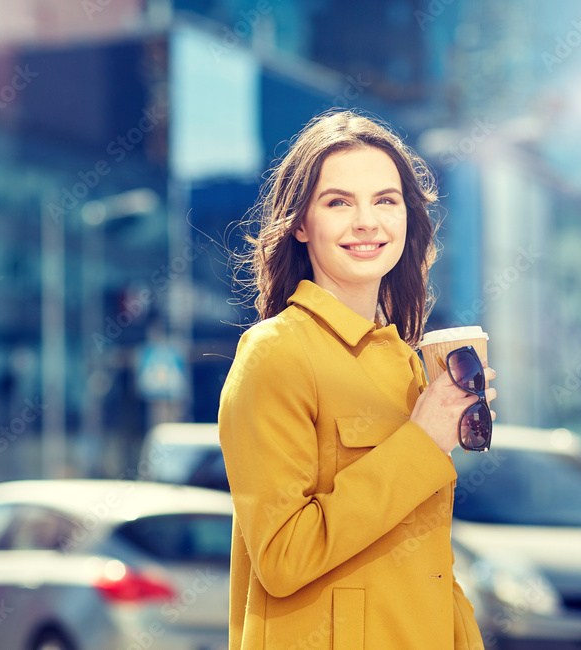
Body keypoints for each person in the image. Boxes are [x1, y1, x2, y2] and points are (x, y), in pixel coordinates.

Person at [218, 109, 496, 649]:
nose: (367, 222)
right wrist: (422, 442)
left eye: (385, 201)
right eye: (339, 202)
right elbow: (282, 556)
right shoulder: (275, 353)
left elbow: (426, 566)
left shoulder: (404, 364)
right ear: (301, 223)